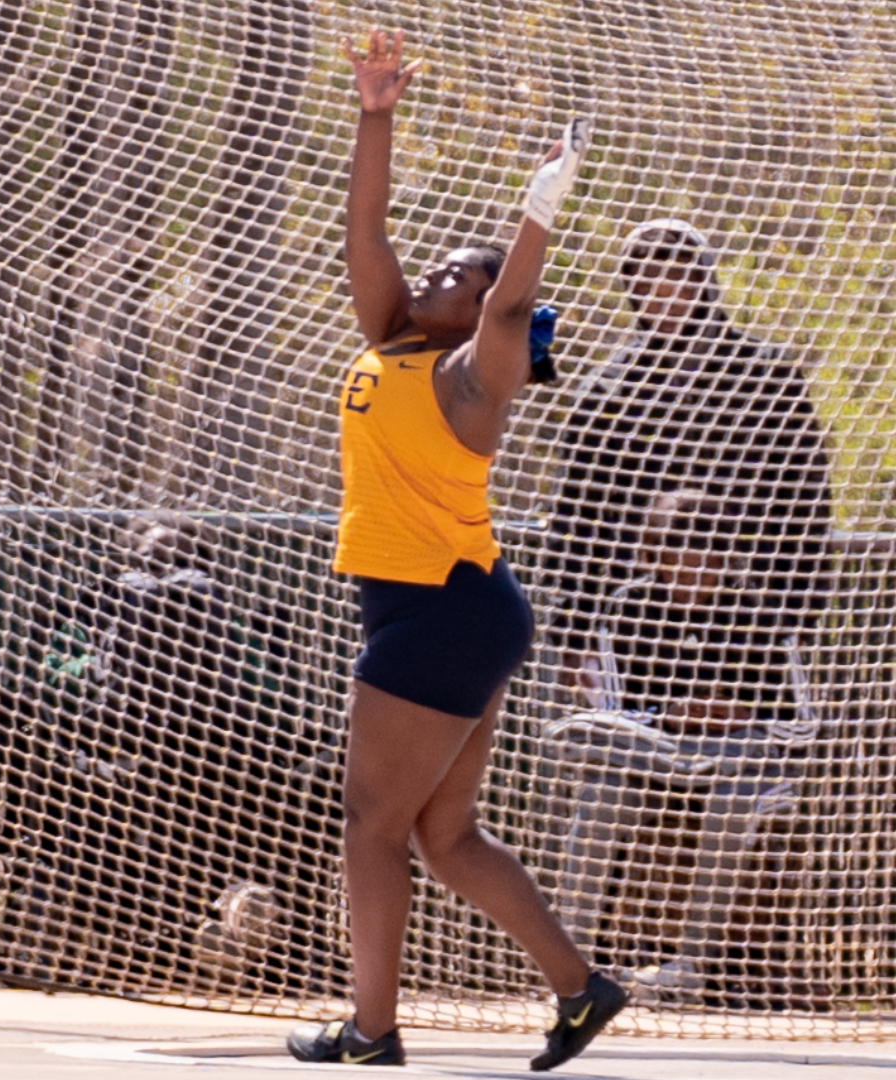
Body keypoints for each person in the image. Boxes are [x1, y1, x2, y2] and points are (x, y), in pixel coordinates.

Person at [283, 31, 621, 1071]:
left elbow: (514, 299)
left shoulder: (477, 377)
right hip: (449, 610)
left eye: (459, 276)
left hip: (442, 611)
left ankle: (370, 1031)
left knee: (372, 825)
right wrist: (374, 112)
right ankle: (581, 987)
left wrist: (540, 205)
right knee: (443, 836)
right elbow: (367, 227)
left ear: (483, 318)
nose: (435, 272)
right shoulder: (389, 335)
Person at [549, 217, 830, 700]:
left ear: (704, 280)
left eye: (678, 278)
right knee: (637, 751)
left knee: (747, 752)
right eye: (646, 282)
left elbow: (805, 503)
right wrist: (571, 634)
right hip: (638, 612)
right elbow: (579, 515)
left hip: (745, 610)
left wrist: (795, 616)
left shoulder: (767, 377)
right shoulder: (607, 389)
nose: (664, 296)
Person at [551, 490, 796, 1003]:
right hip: (649, 756)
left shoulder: (757, 611)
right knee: (602, 797)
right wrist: (669, 716)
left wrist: (740, 715)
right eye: (675, 550)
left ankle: (690, 965)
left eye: (704, 551)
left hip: (738, 763)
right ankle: (570, 965)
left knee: (734, 803)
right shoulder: (629, 608)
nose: (691, 565)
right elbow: (610, 713)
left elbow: (800, 723)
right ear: (655, 551)